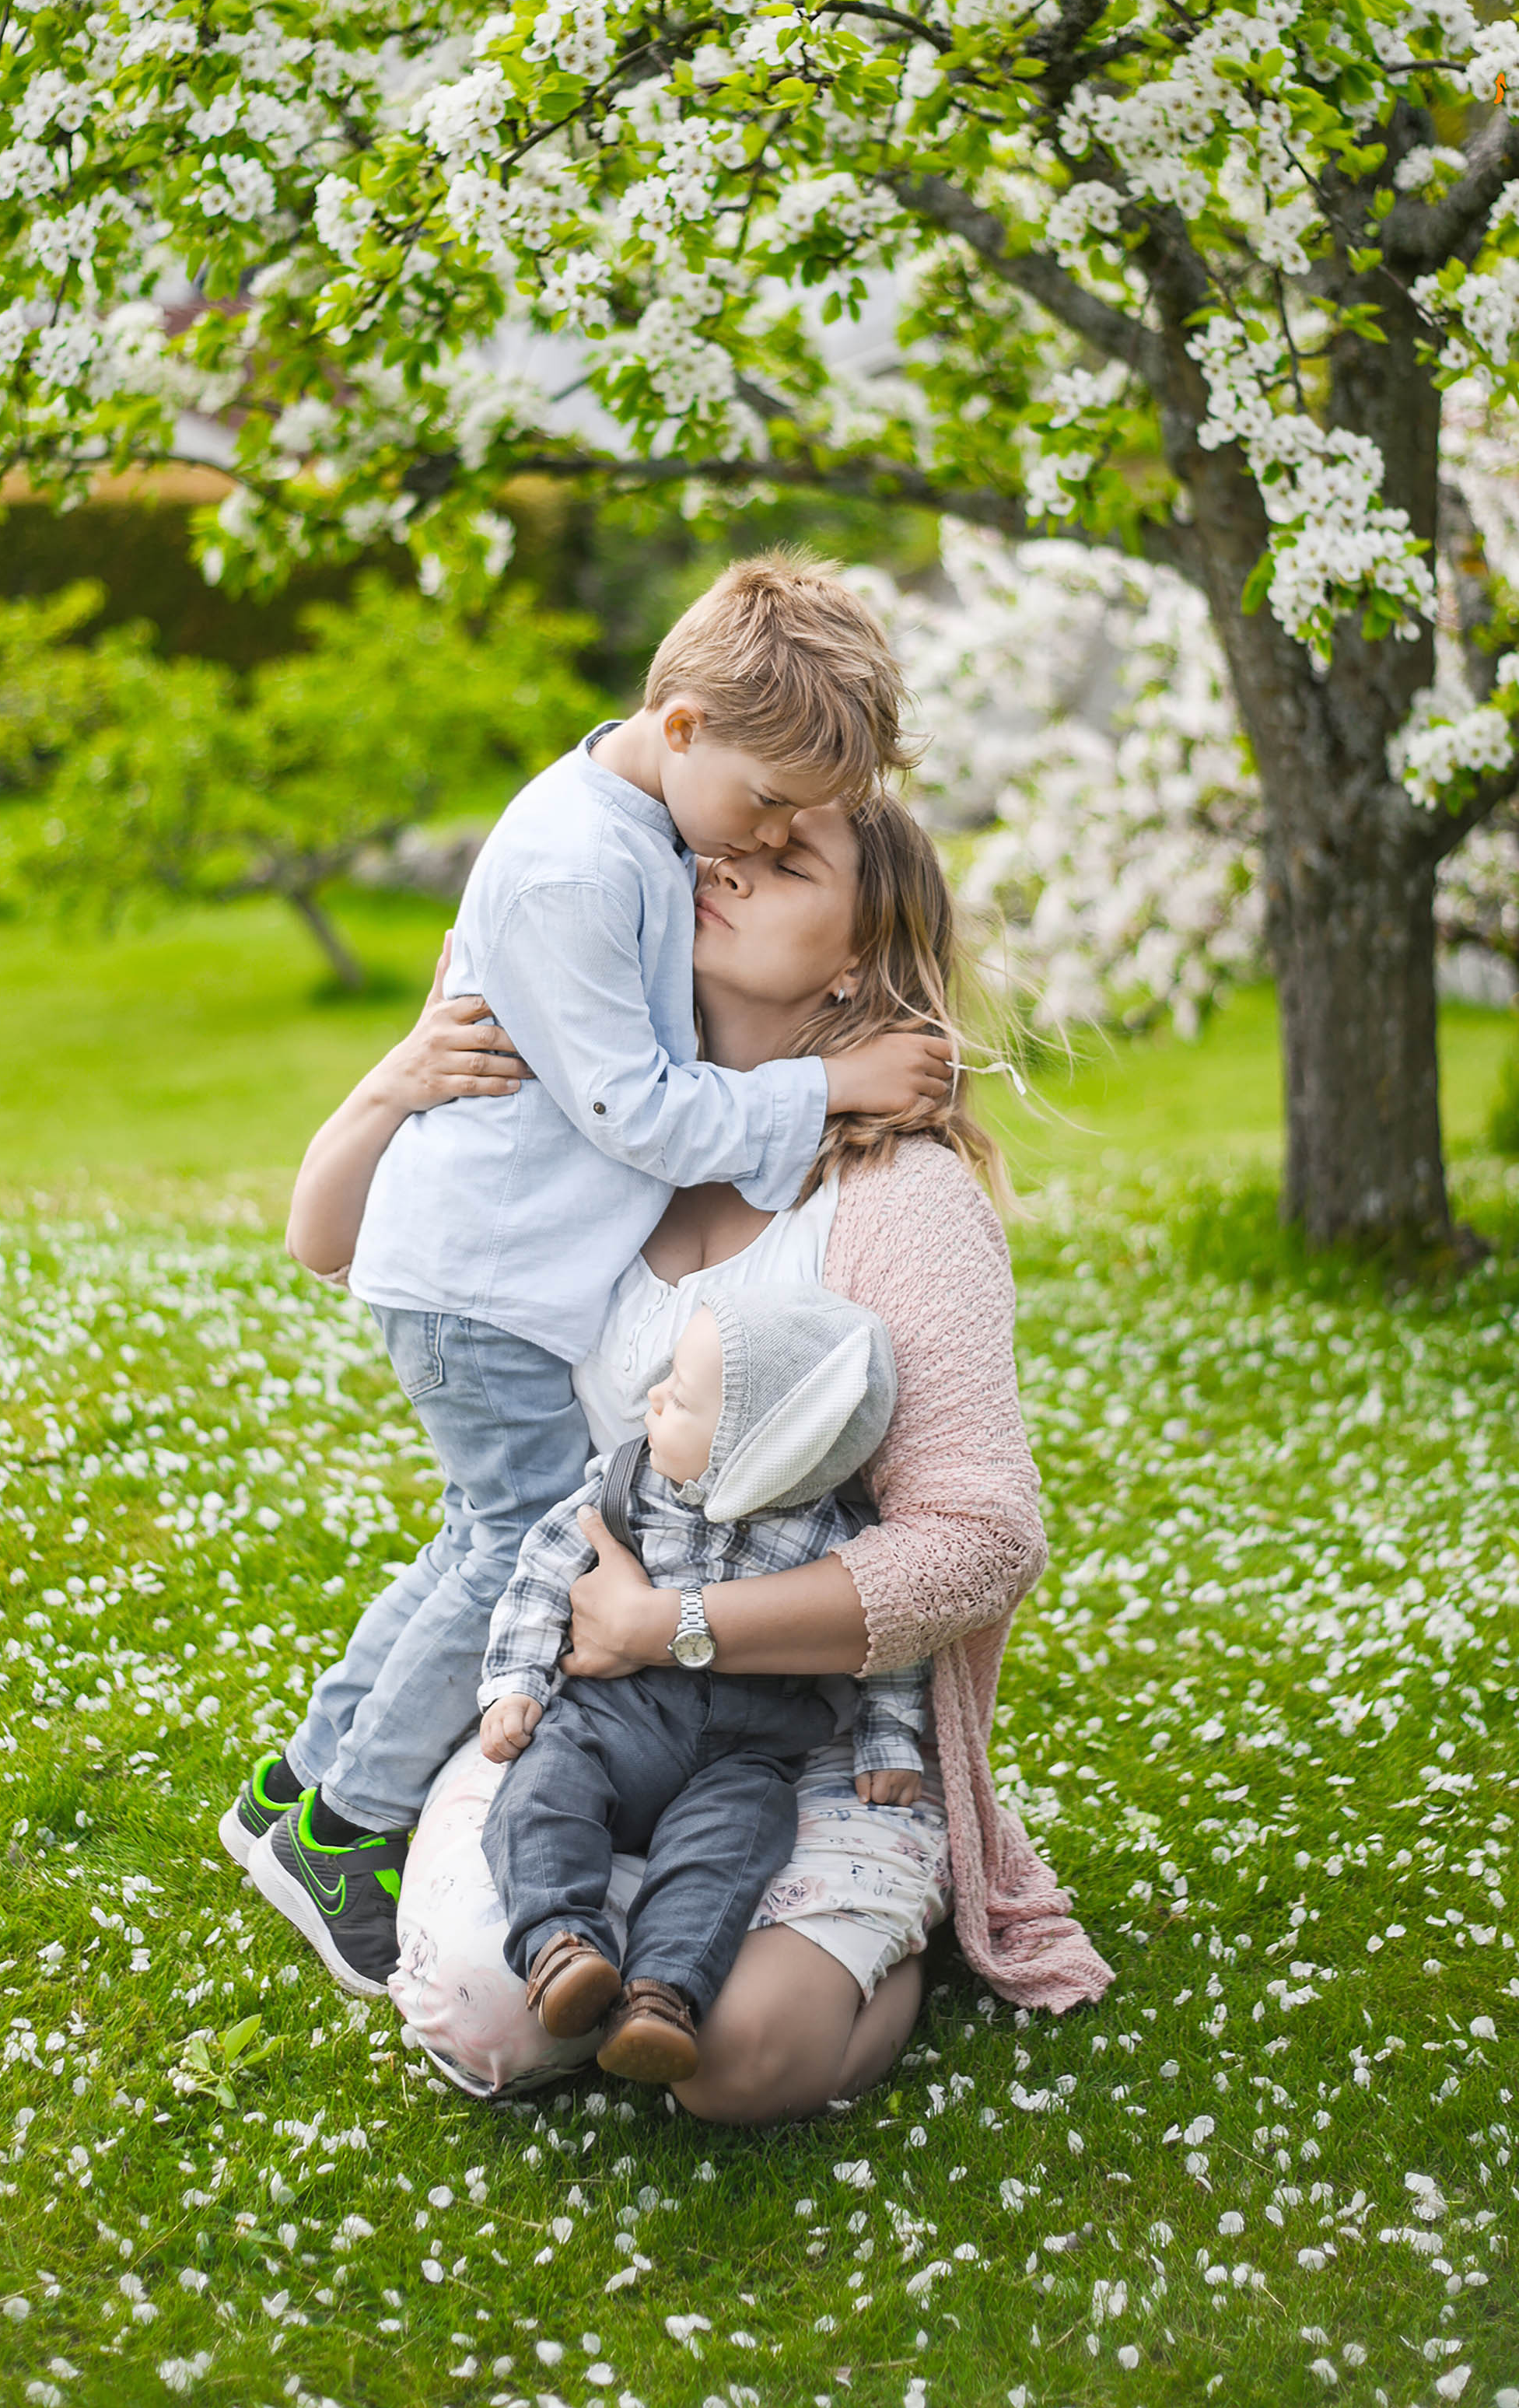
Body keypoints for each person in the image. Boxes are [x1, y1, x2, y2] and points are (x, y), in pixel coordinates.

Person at [294, 789, 1111, 2118]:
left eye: (787, 861)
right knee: (485, 2019)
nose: (725, 863)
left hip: (810, 1733)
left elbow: (984, 1540)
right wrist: (398, 1073)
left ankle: (881, 1921)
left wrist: (675, 1624)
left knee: (736, 2062)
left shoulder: (896, 1195)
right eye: (720, 844)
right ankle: (609, 1920)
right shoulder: (609, 1127)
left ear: (859, 953)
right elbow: (338, 1245)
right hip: (586, 1713)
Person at [227, 556, 953, 1993]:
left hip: (491, 1271)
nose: (751, 843)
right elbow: (642, 1109)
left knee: (469, 1532)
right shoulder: (578, 861)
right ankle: (352, 1821)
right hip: (481, 1282)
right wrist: (833, 1083)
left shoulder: (637, 827)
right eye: (763, 805)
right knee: (514, 1545)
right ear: (680, 726)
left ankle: (295, 1785)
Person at [477, 1286, 924, 2083]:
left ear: (757, 1450)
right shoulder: (626, 1486)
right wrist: (514, 1682)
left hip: (749, 1750)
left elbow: (885, 1638)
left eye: (678, 1396)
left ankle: (661, 1995)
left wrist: (886, 1737)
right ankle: (560, 1946)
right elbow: (543, 1571)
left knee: (736, 1839)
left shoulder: (835, 1535)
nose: (652, 1396)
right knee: (543, 1784)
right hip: (616, 1717)